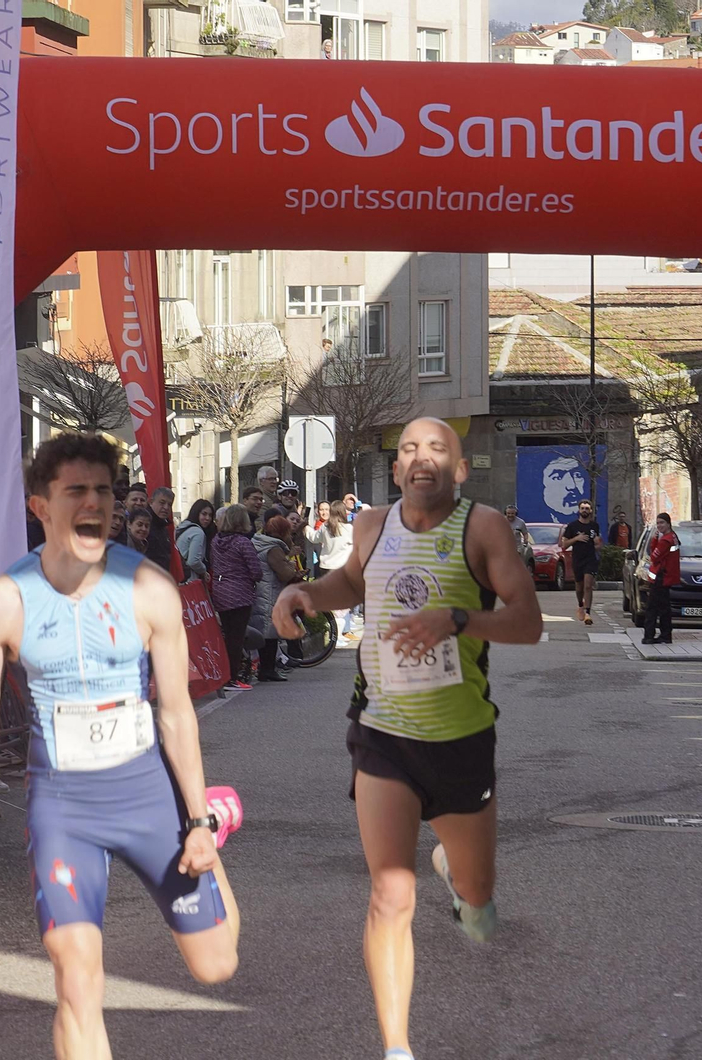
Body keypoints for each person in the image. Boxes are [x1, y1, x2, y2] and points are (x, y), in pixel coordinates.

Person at [0, 434, 241, 1056]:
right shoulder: (3, 601)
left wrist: (198, 821)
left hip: (146, 794)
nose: (94, 502)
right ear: (39, 506)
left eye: (103, 489)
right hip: (63, 806)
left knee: (216, 967)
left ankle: (214, 821)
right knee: (76, 978)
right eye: (75, 490)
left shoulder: (149, 588)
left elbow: (177, 713)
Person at [272, 417, 543, 1060]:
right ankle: (396, 1047)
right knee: (391, 891)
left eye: (438, 449)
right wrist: (304, 592)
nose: (423, 459)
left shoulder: (483, 528)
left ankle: (459, 873)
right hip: (383, 732)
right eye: (410, 450)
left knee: (478, 901)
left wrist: (459, 618)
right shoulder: (372, 527)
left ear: (460, 468)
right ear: (395, 470)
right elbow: (349, 583)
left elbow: (528, 621)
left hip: (461, 738)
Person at [210, 505, 265, 691]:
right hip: (240, 593)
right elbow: (256, 571)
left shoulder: (216, 540)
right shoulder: (243, 542)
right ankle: (231, 678)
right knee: (237, 638)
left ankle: (223, 675)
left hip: (220, 591)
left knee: (226, 635)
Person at [251, 515, 302, 682]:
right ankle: (267, 669)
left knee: (264, 631)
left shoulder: (259, 541)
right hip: (270, 592)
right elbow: (285, 573)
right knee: (270, 633)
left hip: (261, 591)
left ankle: (264, 668)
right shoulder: (274, 548)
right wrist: (292, 569)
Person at [305, 499, 356, 640]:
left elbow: (314, 538)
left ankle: (333, 633)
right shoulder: (349, 529)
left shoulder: (325, 527)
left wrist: (306, 527)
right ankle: (337, 635)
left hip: (325, 568)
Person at [558, 499, 601, 626]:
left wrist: (597, 543)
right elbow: (564, 545)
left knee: (588, 585)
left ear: (591, 510)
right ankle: (580, 605)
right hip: (577, 559)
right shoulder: (572, 526)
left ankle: (588, 612)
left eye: (587, 508)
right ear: (579, 510)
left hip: (590, 559)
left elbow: (598, 543)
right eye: (582, 508)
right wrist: (577, 538)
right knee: (579, 587)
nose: (585, 511)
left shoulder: (594, 526)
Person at [641, 512, 680, 645]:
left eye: (662, 523)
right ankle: (665, 635)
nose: (659, 526)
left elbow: (654, 556)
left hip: (660, 577)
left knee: (652, 608)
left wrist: (655, 540)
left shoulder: (665, 540)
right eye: (657, 523)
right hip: (666, 577)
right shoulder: (673, 537)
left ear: (668, 523)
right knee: (664, 608)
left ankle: (649, 636)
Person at [177, 499, 216, 581]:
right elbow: (193, 561)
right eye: (204, 514)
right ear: (196, 513)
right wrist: (204, 571)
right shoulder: (198, 533)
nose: (207, 518)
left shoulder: (182, 527)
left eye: (210, 515)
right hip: (189, 578)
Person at [146, 486, 176, 570]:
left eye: (169, 504)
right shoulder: (145, 524)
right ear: (151, 502)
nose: (166, 507)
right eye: (162, 503)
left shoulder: (163, 526)